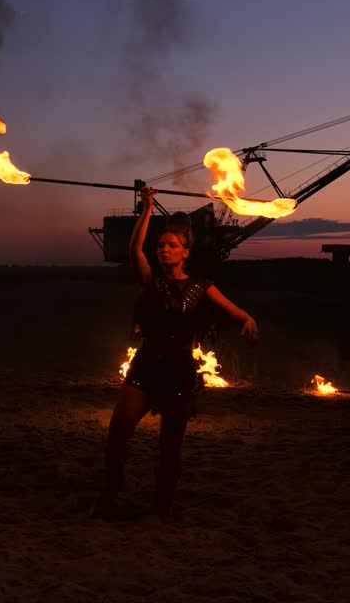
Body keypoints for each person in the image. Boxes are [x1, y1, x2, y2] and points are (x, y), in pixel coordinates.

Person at [93, 186, 259, 520]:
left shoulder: (202, 285)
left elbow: (236, 312)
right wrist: (146, 209)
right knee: (118, 434)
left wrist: (248, 321)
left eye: (171, 245)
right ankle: (111, 489)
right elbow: (133, 248)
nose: (164, 249)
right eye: (161, 245)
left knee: (169, 447)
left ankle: (162, 506)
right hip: (146, 364)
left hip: (180, 369)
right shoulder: (149, 280)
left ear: (185, 252)